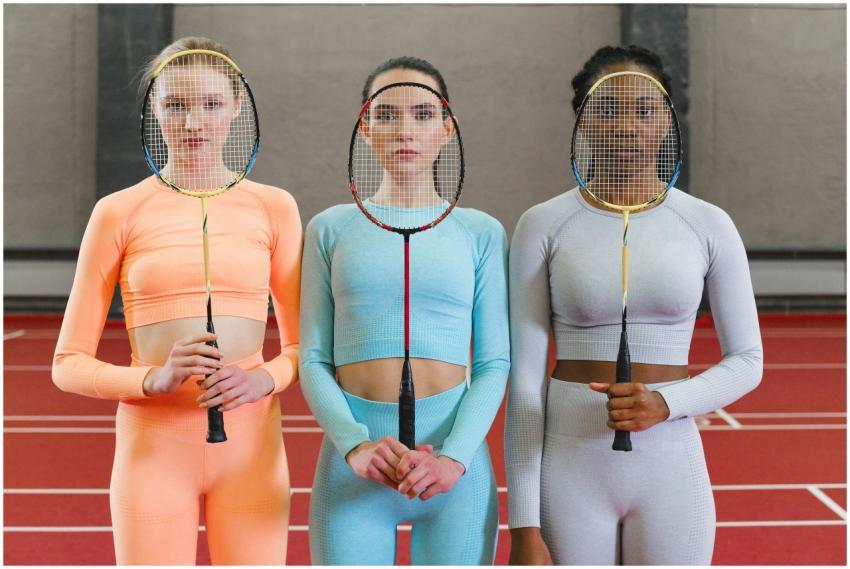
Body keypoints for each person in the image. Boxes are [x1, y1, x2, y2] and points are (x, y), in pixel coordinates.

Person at [505, 45, 763, 565]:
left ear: (667, 121)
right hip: (570, 467)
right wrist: (522, 526)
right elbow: (526, 387)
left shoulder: (709, 224)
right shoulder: (543, 224)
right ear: (583, 121)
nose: (627, 126)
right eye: (608, 109)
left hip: (671, 468)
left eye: (645, 109)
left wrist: (667, 403)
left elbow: (748, 362)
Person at [52, 36, 301, 565]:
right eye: (175, 105)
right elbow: (67, 364)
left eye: (210, 104)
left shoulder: (275, 208)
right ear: (153, 111)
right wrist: (151, 380)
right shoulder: (117, 212)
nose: (193, 123)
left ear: (237, 106)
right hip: (152, 455)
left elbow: (306, 349)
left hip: (253, 456)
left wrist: (263, 378)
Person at [299, 56, 509, 565]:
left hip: (453, 474)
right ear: (366, 129)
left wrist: (454, 458)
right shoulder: (329, 229)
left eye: (422, 113)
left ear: (446, 129)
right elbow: (312, 358)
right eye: (386, 114)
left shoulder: (481, 232)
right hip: (354, 470)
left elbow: (493, 363)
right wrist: (354, 445)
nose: (404, 129)